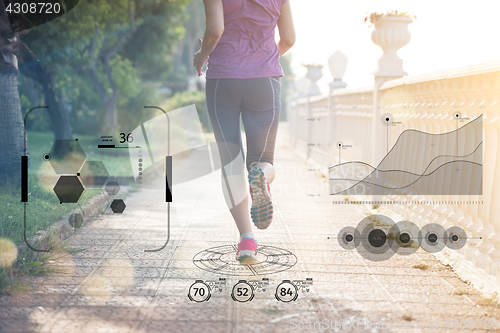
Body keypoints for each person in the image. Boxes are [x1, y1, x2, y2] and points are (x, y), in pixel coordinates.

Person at [194, 0, 295, 260]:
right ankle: (260, 175)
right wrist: (264, 58)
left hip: (223, 81)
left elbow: (215, 30)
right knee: (262, 160)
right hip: (265, 81)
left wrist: (202, 54)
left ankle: (247, 241)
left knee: (231, 162)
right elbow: (289, 38)